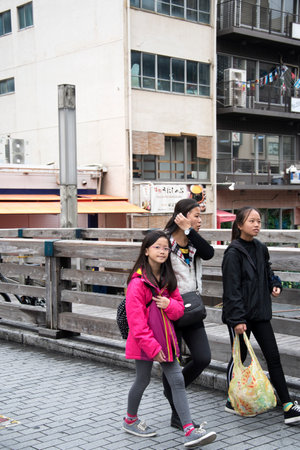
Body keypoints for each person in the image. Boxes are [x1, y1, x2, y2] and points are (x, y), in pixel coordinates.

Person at [122, 230, 217, 447]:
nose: (162, 251)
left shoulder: (167, 278)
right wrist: (153, 348)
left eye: (165, 247)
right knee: (142, 380)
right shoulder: (137, 283)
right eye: (157, 247)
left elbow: (179, 310)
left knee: (177, 381)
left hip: (166, 340)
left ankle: (189, 430)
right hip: (145, 342)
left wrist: (169, 305)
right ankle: (130, 419)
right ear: (146, 250)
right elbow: (137, 324)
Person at [222, 206, 300, 425]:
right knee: (240, 357)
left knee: (273, 357)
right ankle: (231, 399)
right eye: (251, 221)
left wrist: (275, 284)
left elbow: (267, 272)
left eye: (258, 221)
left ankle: (287, 405)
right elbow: (232, 289)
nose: (257, 225)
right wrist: (237, 320)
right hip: (242, 317)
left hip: (261, 313)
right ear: (239, 225)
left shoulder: (260, 248)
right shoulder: (233, 252)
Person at [163, 199, 214, 430]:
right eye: (196, 215)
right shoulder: (163, 241)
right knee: (170, 360)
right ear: (181, 216)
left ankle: (172, 388)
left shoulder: (193, 243)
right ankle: (178, 415)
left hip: (191, 307)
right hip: (167, 309)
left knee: (203, 358)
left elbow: (209, 252)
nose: (200, 220)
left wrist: (189, 230)